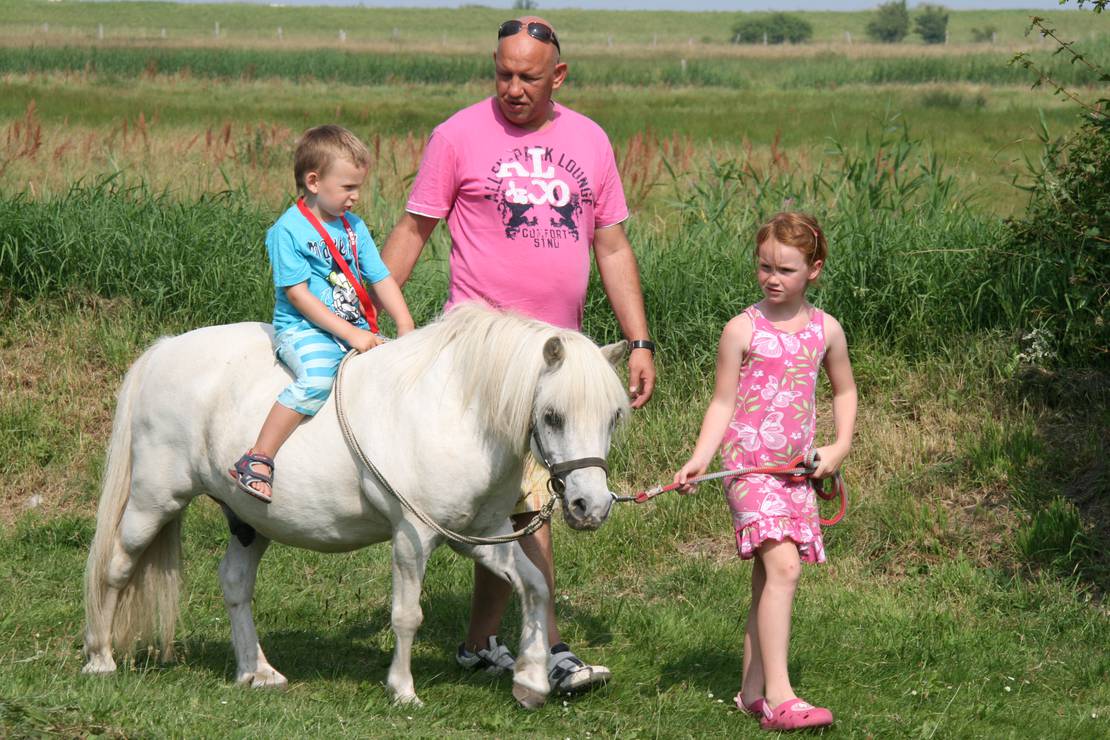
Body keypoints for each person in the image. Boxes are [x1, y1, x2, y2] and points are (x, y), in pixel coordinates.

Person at [380, 16, 656, 693]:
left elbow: (612, 246)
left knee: (515, 496)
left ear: (557, 76)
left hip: (558, 357)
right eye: (503, 73)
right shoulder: (457, 135)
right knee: (529, 500)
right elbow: (415, 229)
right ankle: (549, 649)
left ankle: (480, 643)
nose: (513, 87)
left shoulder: (589, 141)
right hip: (479, 355)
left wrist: (639, 339)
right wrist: (366, 313)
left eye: (528, 77)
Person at [673, 212, 857, 731]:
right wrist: (700, 457)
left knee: (767, 576)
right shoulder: (741, 329)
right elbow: (722, 402)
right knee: (785, 569)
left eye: (786, 269)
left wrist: (839, 446)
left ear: (814, 269)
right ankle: (781, 696)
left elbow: (844, 390)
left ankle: (751, 691)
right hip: (750, 471)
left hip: (797, 472)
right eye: (764, 267)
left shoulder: (826, 330)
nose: (773, 278)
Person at [230, 125, 416, 503]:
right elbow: (299, 297)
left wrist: (405, 324)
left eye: (358, 187)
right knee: (315, 380)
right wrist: (351, 335)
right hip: (303, 329)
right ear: (314, 181)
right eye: (348, 187)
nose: (356, 197)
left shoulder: (354, 227)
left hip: (353, 328)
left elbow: (379, 275)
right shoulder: (289, 230)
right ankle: (258, 457)